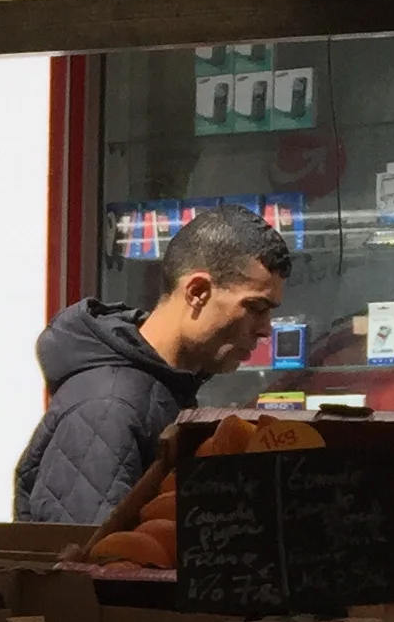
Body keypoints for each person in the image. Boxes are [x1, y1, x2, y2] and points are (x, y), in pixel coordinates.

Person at [14, 206, 288, 525]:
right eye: (255, 307)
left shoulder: (161, 387)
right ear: (197, 292)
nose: (265, 329)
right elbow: (95, 553)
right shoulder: (108, 407)